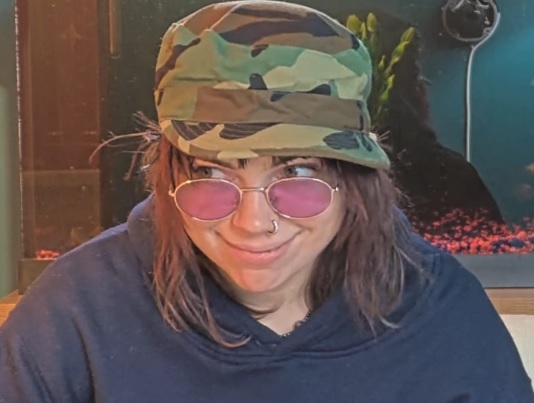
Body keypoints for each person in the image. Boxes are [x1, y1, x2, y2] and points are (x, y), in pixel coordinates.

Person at [1, 1, 533, 402]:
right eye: (211, 173)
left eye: (297, 172)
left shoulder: (440, 311)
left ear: (355, 182)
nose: (253, 223)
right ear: (168, 175)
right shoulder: (76, 313)